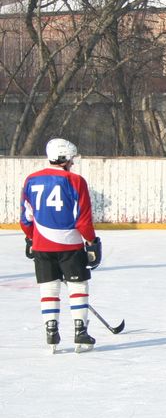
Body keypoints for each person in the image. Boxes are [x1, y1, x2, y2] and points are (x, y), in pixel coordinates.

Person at [20, 138, 102, 353]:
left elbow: (26, 218)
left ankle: (51, 332)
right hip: (70, 245)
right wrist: (92, 242)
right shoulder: (76, 181)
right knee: (78, 287)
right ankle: (80, 331)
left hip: (41, 246)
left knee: (49, 289)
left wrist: (31, 238)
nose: (73, 164)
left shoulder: (31, 180)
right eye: (71, 159)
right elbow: (83, 220)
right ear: (64, 159)